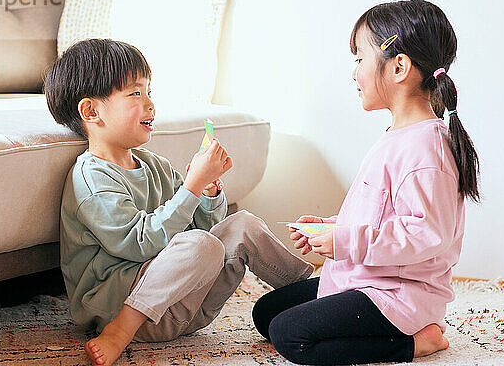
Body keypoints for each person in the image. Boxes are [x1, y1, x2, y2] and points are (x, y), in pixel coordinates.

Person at [44, 39, 314, 366]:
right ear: (91, 111)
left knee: (242, 223)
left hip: (187, 304)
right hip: (126, 308)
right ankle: (121, 330)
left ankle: (314, 291)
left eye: (149, 92)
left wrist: (207, 193)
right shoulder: (91, 178)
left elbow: (204, 231)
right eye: (135, 93)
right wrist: (192, 188)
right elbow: (139, 244)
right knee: (202, 245)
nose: (150, 104)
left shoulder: (154, 165)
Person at [252, 0, 480, 365]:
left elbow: (425, 235)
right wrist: (331, 227)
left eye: (359, 59)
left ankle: (418, 342)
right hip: (368, 278)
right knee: (266, 313)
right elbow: (378, 213)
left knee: (289, 336)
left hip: (400, 294)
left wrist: (344, 240)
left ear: (399, 66)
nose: (354, 72)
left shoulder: (426, 149)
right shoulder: (398, 135)